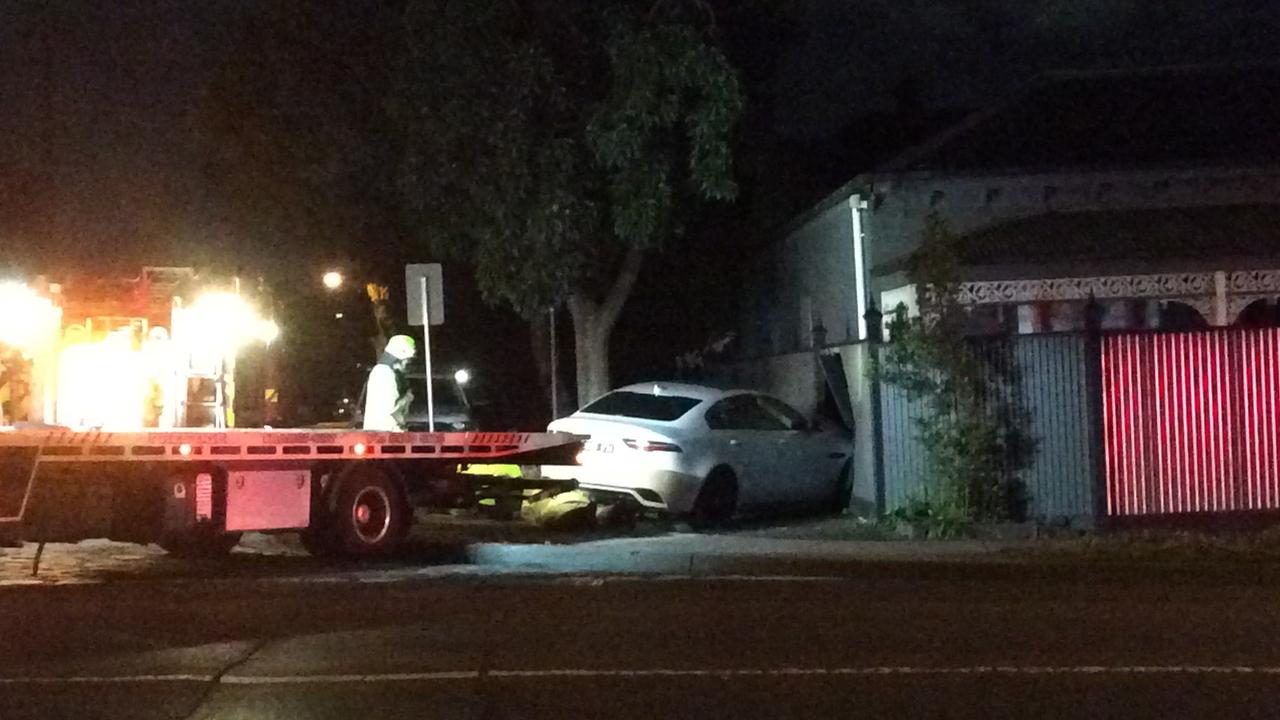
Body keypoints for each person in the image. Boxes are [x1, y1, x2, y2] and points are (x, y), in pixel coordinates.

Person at [362, 335, 416, 431]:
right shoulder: (384, 373)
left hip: (382, 434)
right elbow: (391, 410)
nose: (408, 363)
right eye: (408, 360)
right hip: (385, 434)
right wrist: (406, 399)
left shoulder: (383, 371)